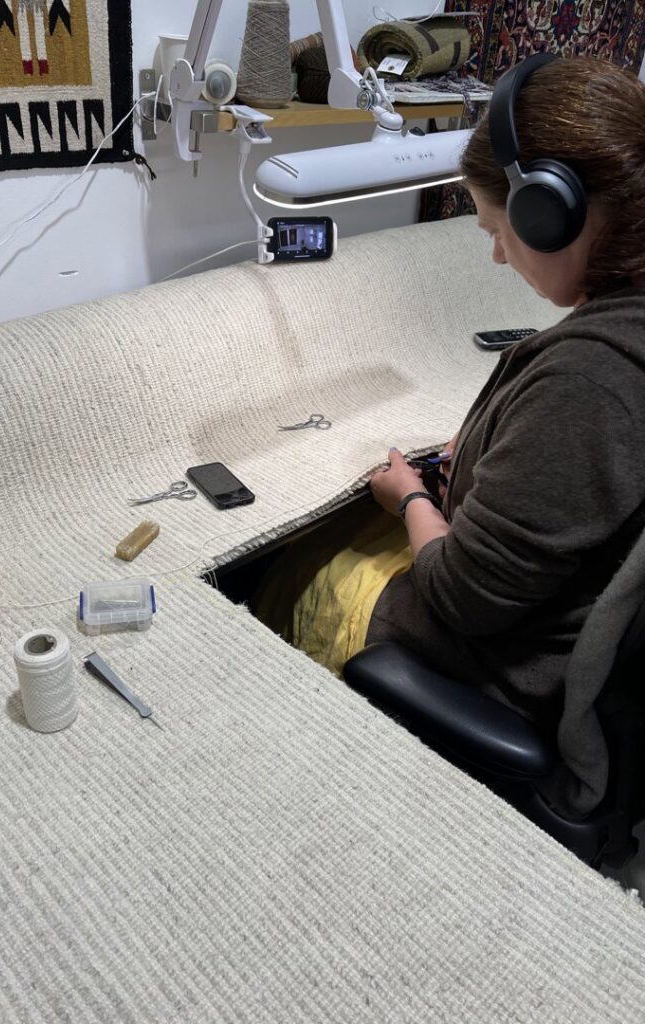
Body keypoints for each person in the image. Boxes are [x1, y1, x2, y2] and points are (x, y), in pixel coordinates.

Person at [253, 55, 645, 816]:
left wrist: (410, 500)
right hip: (564, 620)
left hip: (512, 669)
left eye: (498, 230)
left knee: (298, 568)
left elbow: (462, 600)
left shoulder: (591, 382)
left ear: (551, 215)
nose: (496, 253)